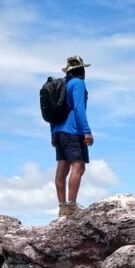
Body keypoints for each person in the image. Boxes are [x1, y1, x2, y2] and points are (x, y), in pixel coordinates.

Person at [51, 55, 94, 219]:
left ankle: (62, 208)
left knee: (62, 168)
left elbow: (53, 111)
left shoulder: (61, 84)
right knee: (78, 166)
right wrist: (86, 131)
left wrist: (53, 132)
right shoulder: (78, 84)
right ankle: (71, 207)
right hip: (73, 131)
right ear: (81, 70)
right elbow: (79, 108)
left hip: (59, 130)